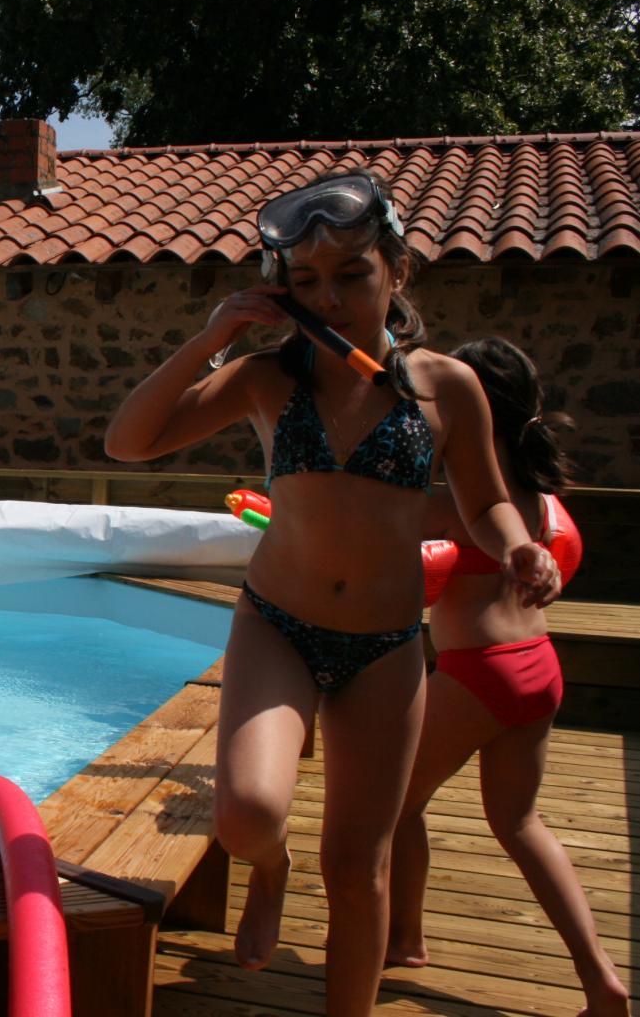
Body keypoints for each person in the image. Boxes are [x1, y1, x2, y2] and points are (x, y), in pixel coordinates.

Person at [104, 170, 561, 1016]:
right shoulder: (265, 379)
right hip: (276, 625)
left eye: (352, 274)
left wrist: (519, 546)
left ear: (398, 272)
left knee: (358, 871)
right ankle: (266, 872)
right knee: (244, 816)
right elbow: (129, 442)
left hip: (384, 647)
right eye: (305, 281)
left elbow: (487, 499)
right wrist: (213, 339)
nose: (332, 296)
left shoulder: (442, 386)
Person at [387, 338, 629, 1016]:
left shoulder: (451, 501)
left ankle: (402, 937)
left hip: (477, 673)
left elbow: (360, 530)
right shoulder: (548, 500)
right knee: (519, 822)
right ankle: (601, 979)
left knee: (392, 805)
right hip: (538, 669)